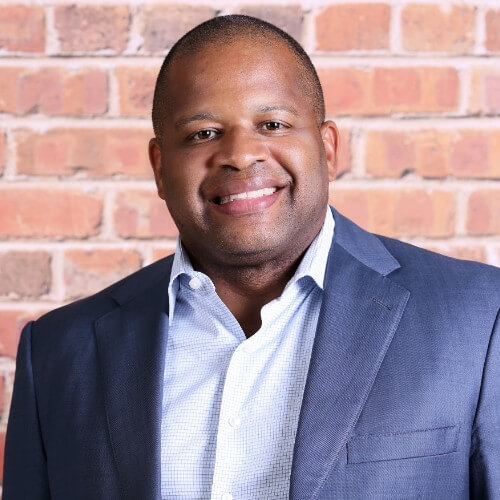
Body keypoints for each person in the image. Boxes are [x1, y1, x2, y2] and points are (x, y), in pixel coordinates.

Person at [3, 14, 499, 500]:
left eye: (273, 123)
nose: (240, 153)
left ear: (327, 149)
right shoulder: (56, 353)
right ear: (159, 167)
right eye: (202, 133)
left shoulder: (478, 321)